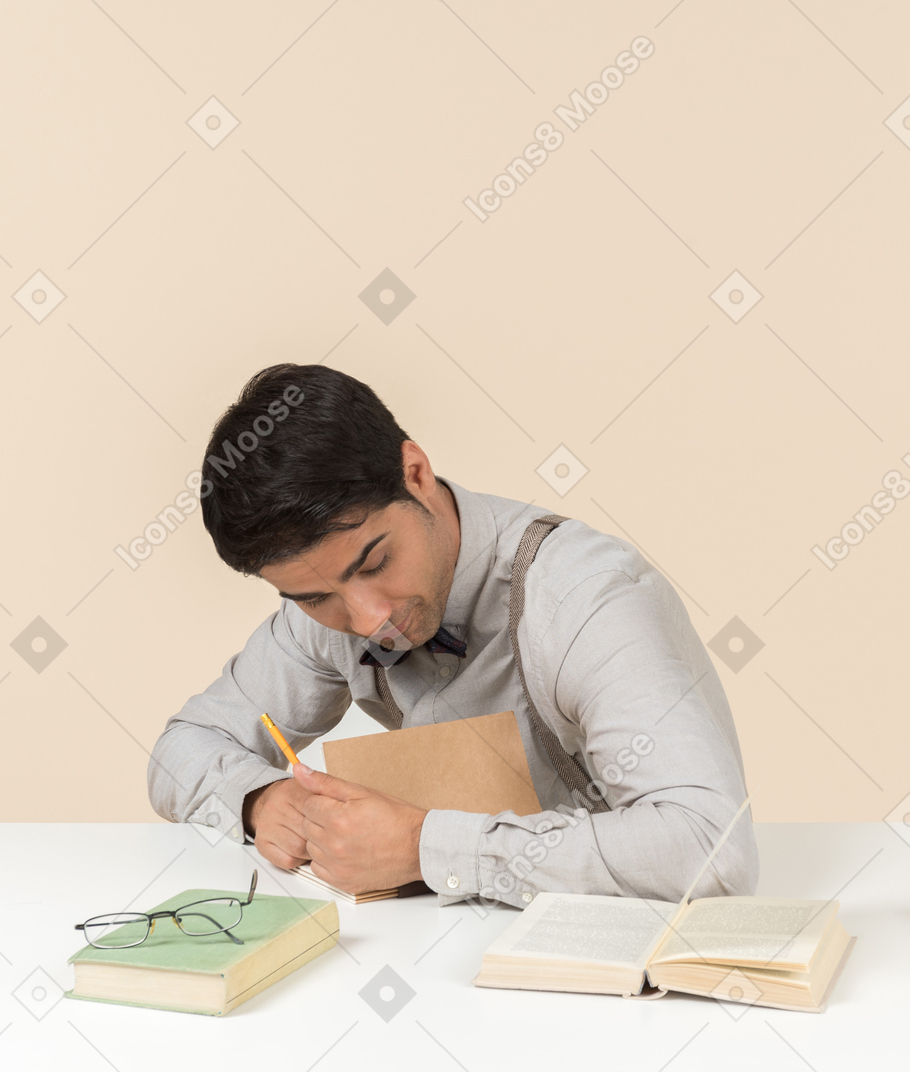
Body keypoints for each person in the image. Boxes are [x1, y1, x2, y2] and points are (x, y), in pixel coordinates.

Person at [146, 363, 757, 908]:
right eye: (313, 597)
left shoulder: (586, 596)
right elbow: (182, 748)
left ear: (416, 474)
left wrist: (421, 847)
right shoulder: (323, 615)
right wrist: (257, 798)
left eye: (376, 563)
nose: (367, 619)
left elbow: (710, 848)